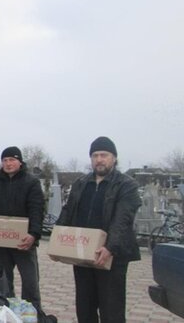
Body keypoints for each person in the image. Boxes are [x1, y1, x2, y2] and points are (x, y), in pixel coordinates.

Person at [55, 136, 141, 322]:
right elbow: (68, 211)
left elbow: (123, 219)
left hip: (111, 256)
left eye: (104, 155)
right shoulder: (81, 183)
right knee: (84, 309)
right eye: (95, 155)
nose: (99, 159)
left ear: (114, 158)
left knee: (111, 311)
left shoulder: (126, 185)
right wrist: (57, 241)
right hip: (83, 253)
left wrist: (109, 247)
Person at [0, 146, 46, 312]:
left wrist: (34, 234)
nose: (8, 163)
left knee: (30, 283)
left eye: (12, 160)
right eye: (5, 160)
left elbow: (37, 210)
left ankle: (33, 315)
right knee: (2, 282)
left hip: (24, 242)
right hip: (0, 242)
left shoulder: (31, 182)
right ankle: (5, 313)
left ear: (20, 161)